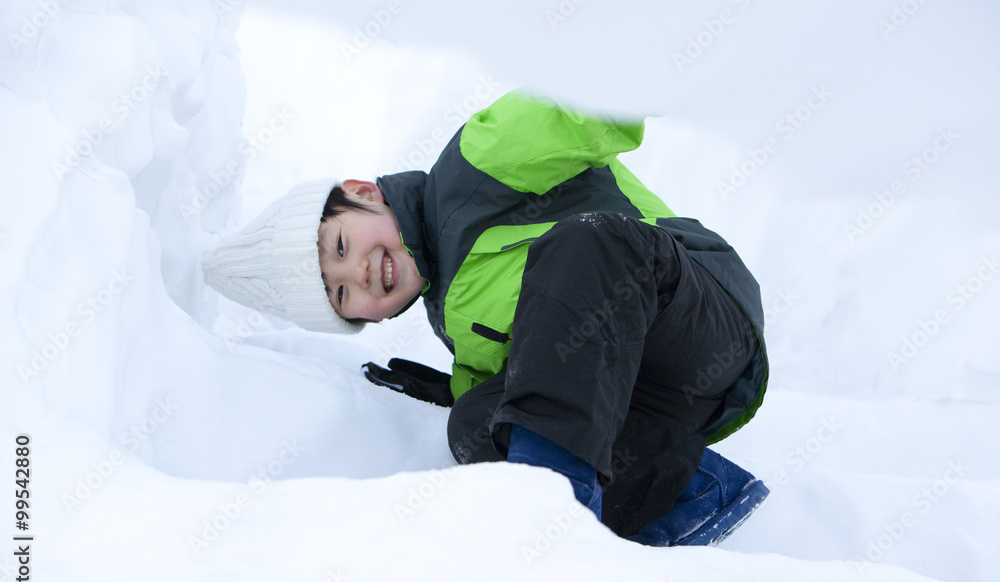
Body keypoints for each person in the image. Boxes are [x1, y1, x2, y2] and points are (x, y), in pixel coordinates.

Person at [202, 89, 770, 546]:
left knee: (581, 246)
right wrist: (455, 397)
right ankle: (693, 493)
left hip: (696, 312)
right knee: (475, 421)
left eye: (342, 248)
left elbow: (575, 102)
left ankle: (552, 517)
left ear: (361, 193)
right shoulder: (453, 323)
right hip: (661, 400)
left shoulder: (478, 165)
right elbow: (529, 384)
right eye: (344, 296)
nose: (362, 275)